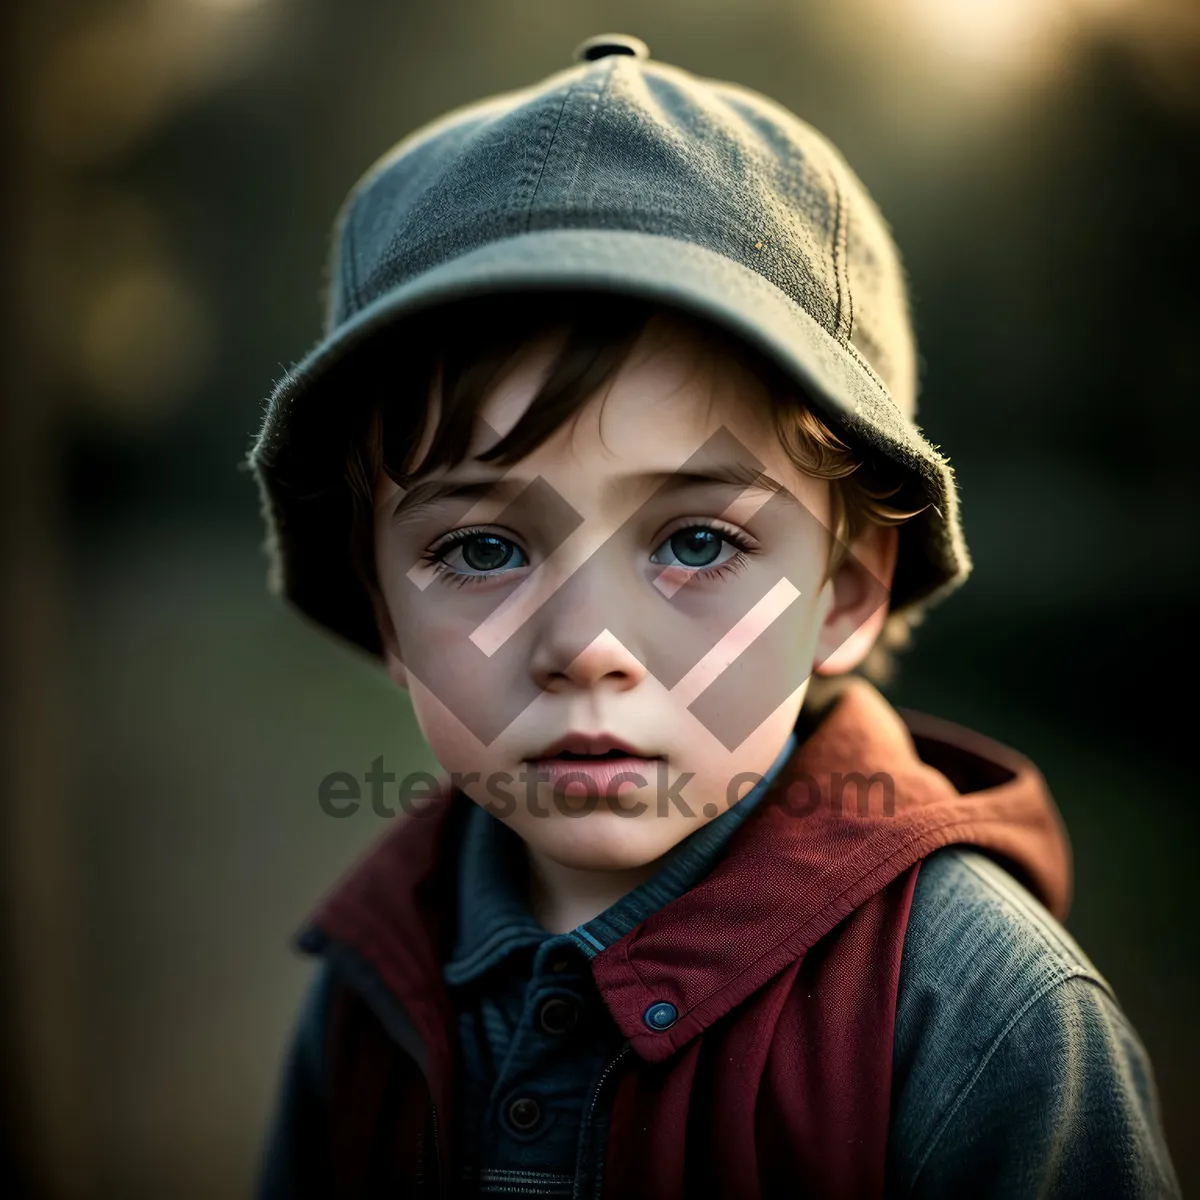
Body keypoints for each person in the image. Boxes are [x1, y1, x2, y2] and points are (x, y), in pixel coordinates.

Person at [247, 33, 1180, 1199]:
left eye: (698, 542)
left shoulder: (976, 1016)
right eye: (481, 547)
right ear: (383, 607)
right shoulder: (373, 973)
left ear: (844, 591)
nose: (587, 644)